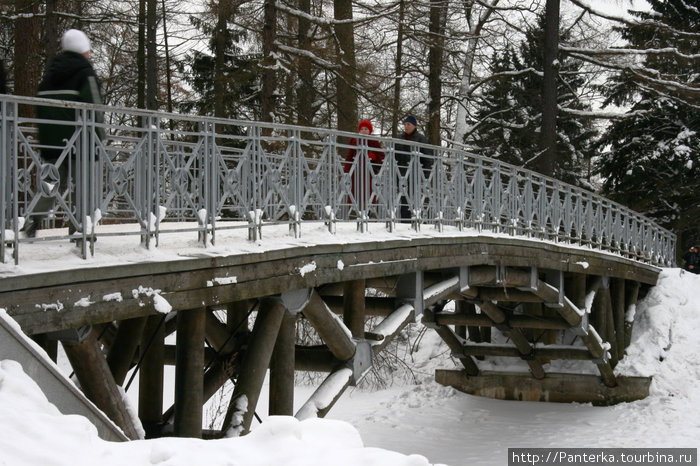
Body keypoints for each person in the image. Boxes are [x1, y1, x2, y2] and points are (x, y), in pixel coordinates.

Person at [25, 29, 104, 239]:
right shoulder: (85, 73)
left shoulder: (51, 74)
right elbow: (94, 109)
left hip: (52, 142)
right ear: (83, 50)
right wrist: (98, 138)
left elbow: (41, 106)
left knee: (51, 183)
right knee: (83, 185)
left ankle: (33, 219)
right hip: (80, 141)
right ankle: (80, 228)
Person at [394, 115, 433, 220]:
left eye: (408, 124)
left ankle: (414, 219)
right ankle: (404, 221)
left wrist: (426, 176)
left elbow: (427, 158)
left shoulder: (421, 139)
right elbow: (393, 155)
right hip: (400, 172)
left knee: (412, 197)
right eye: (405, 124)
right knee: (403, 197)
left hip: (414, 173)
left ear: (414, 126)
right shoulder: (398, 138)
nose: (406, 127)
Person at [344, 120, 384, 212]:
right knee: (355, 192)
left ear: (370, 131)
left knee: (368, 192)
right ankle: (356, 212)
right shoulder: (354, 140)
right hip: (356, 171)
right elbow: (349, 157)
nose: (363, 131)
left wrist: (372, 157)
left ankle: (367, 212)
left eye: (366, 129)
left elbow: (381, 156)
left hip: (369, 172)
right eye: (361, 129)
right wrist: (347, 172)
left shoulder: (374, 142)